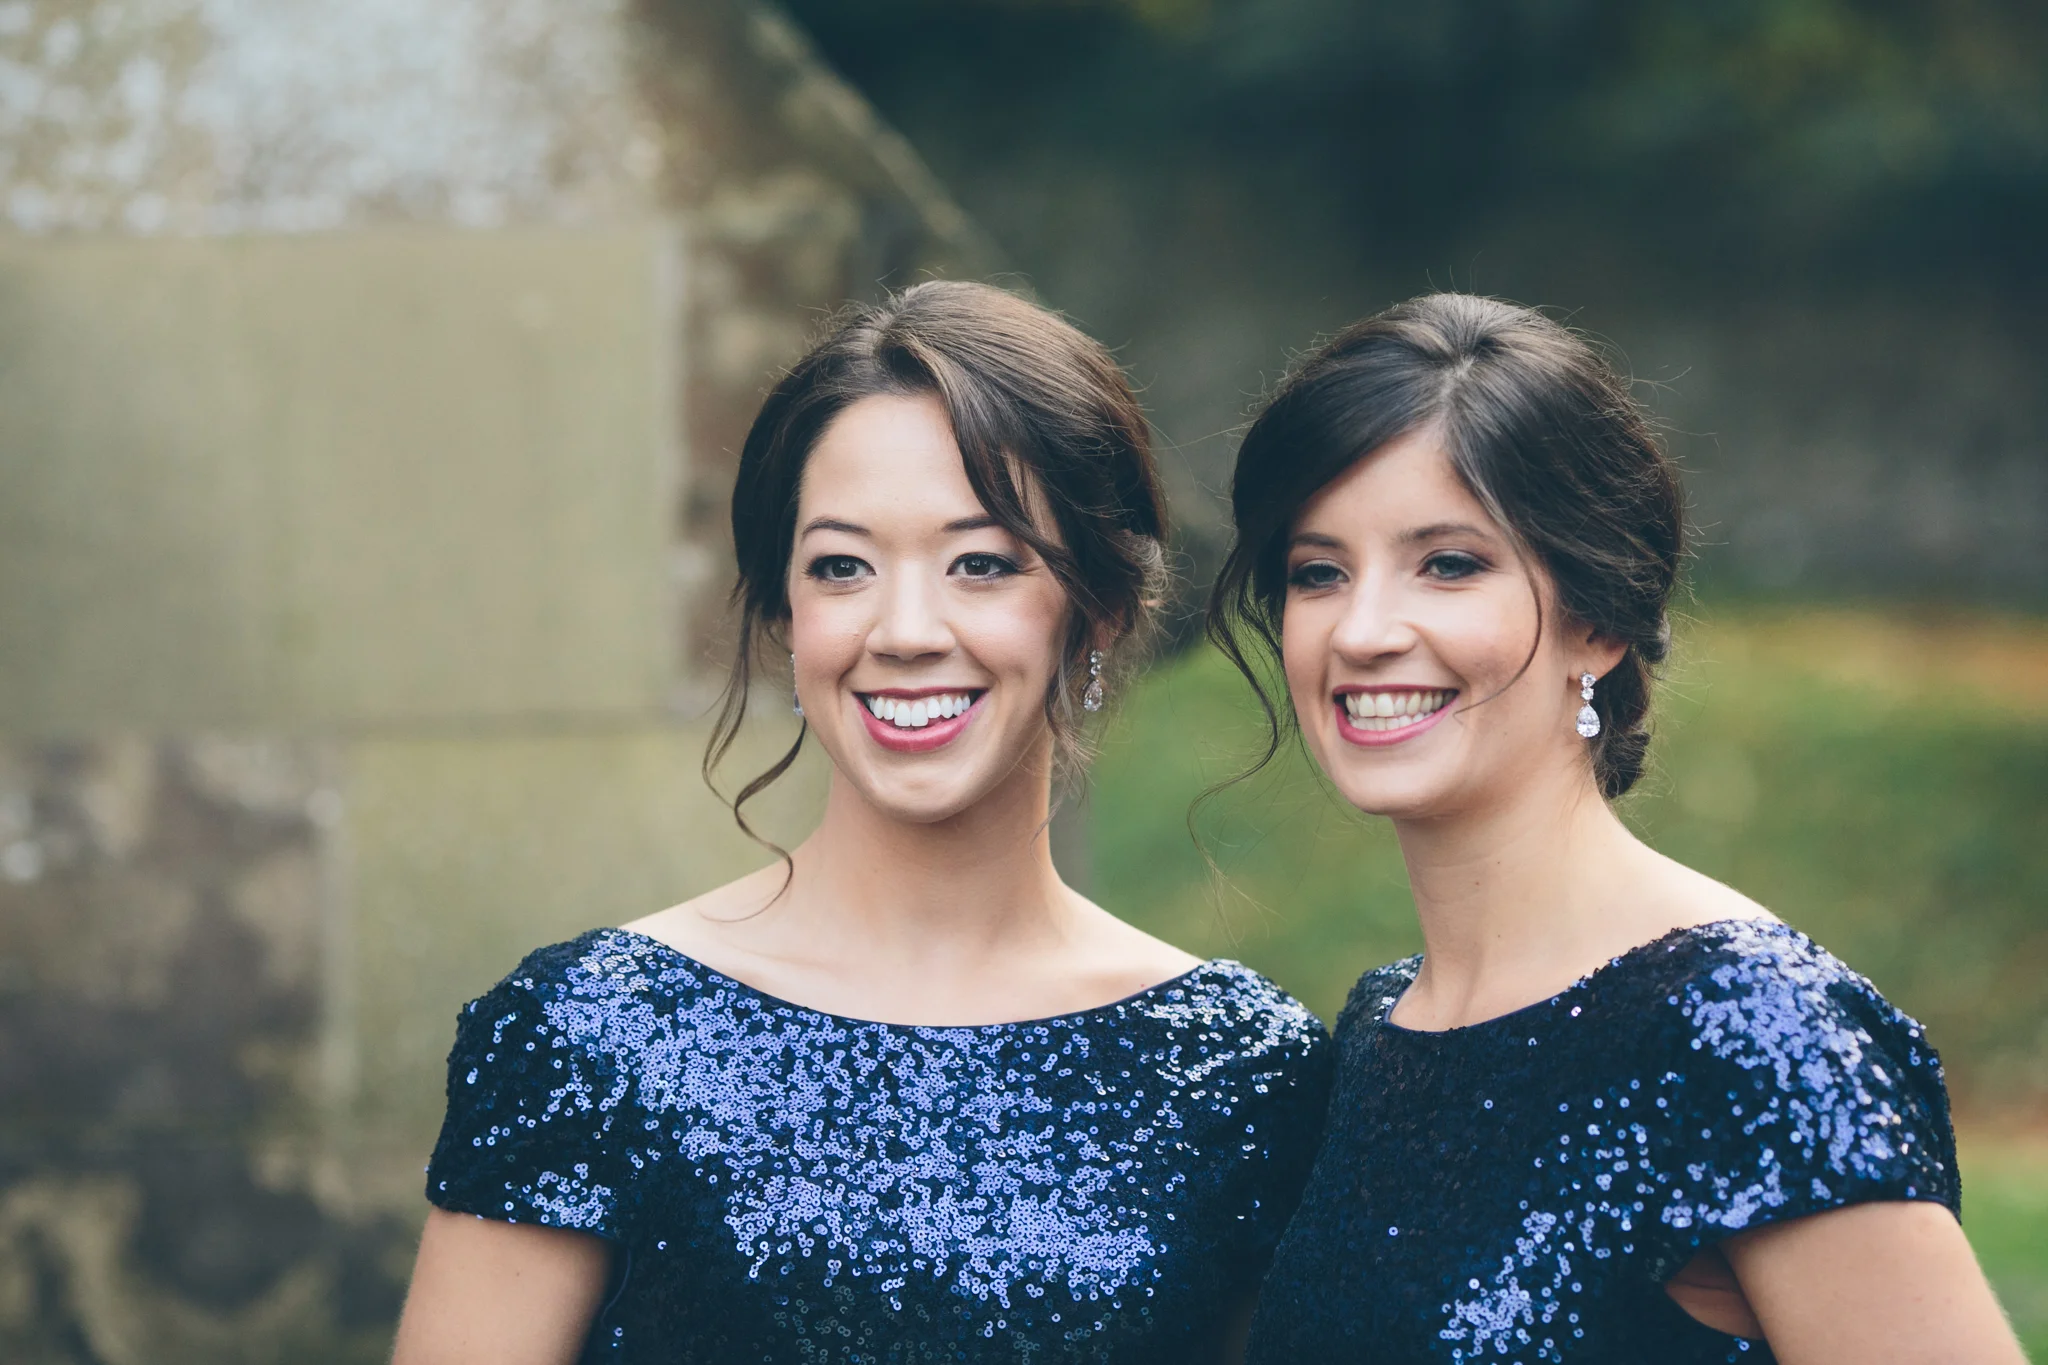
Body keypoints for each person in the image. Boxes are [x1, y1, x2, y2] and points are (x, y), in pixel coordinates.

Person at [390, 281, 1332, 1365]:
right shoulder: (589, 1035)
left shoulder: (1236, 1071)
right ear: (786, 616)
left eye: (980, 562)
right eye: (842, 567)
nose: (905, 629)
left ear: (1097, 609)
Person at [1207, 293, 2023, 1363]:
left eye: (1447, 563)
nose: (1360, 631)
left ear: (1593, 619)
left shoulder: (1745, 1029)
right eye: (1318, 572)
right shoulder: (1378, 1033)